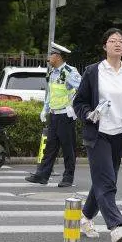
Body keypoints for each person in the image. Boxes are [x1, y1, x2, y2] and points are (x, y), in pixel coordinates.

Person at [73, 28, 122, 242]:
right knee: (106, 181)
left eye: (121, 41)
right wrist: (89, 114)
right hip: (98, 134)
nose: (117, 44)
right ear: (104, 46)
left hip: (120, 134)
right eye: (112, 40)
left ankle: (85, 218)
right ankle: (116, 227)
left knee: (104, 180)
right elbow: (79, 102)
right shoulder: (93, 71)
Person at [25, 42, 81, 187]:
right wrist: (45, 108)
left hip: (66, 115)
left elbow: (82, 90)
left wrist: (73, 106)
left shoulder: (70, 72)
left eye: (51, 55)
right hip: (54, 115)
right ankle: (43, 175)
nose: (48, 57)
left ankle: (68, 177)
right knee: (50, 146)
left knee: (68, 147)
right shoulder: (52, 72)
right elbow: (50, 93)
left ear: (58, 57)